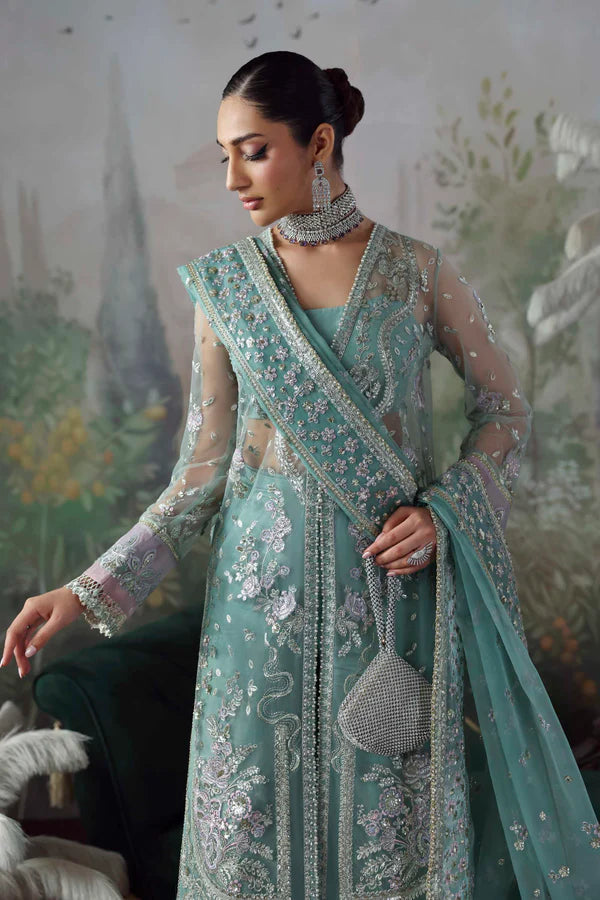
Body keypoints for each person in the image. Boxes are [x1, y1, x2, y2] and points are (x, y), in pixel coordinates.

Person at [2, 50, 599, 899]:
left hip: (390, 611)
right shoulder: (226, 290)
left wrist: (445, 512)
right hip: (256, 623)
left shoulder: (415, 273)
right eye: (224, 156)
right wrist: (85, 590)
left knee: (391, 849)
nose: (232, 179)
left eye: (253, 152)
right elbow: (197, 481)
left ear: (319, 143)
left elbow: (505, 411)